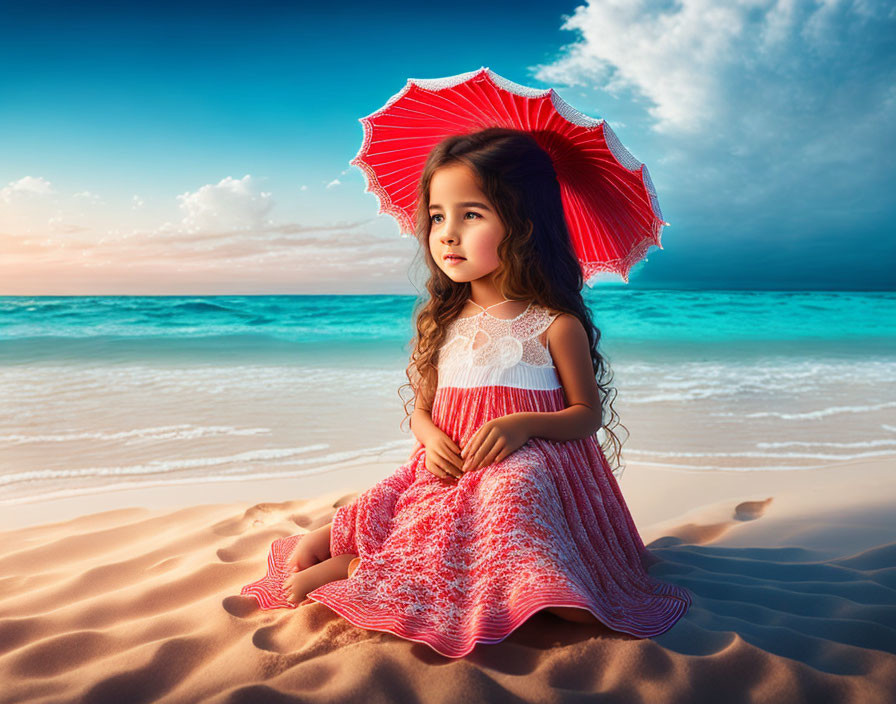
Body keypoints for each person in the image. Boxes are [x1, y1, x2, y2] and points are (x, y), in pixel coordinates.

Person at [240, 127, 692, 658]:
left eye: (471, 215)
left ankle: (370, 568)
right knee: (387, 504)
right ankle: (341, 550)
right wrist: (430, 437)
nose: (447, 234)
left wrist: (521, 424)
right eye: (437, 217)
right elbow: (424, 412)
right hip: (449, 462)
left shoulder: (553, 323)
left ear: (523, 227)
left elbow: (586, 414)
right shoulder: (444, 322)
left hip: (530, 463)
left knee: (554, 580)